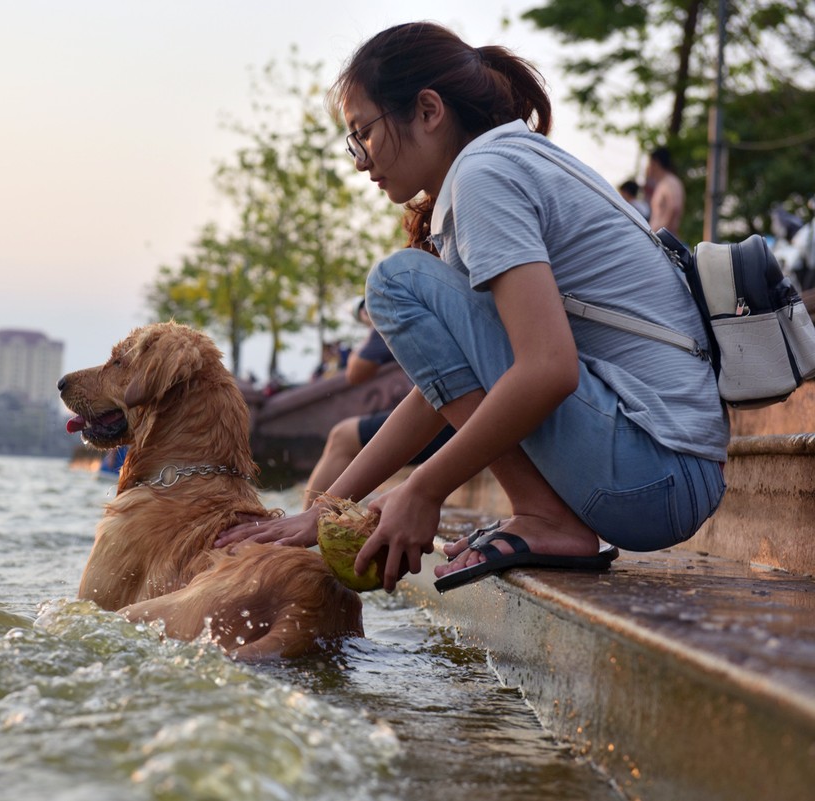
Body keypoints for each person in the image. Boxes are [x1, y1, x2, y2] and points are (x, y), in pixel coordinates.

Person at [217, 21, 727, 595]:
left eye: (364, 133)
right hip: (665, 473)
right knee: (403, 281)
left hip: (654, 471)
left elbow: (548, 368)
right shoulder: (504, 162)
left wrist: (423, 490)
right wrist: (328, 509)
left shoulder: (486, 177)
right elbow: (440, 391)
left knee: (394, 281)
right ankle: (543, 512)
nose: (360, 161)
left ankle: (543, 514)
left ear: (428, 110)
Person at [303, 300, 453, 509]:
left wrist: (374, 323)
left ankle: (306, 524)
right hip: (471, 410)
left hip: (450, 418)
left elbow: (356, 372)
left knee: (342, 437)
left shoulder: (395, 303)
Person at [645, 146, 684, 234]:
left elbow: (675, 208)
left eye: (649, 163)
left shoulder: (670, 182)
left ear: (656, 163)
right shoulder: (662, 183)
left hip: (663, 239)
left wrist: (663, 234)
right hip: (659, 236)